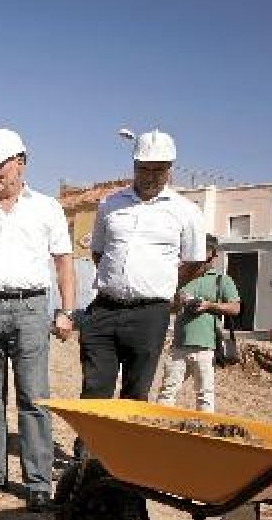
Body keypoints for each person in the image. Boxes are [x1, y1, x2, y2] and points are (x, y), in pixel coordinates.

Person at [0, 128, 75, 513]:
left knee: (33, 397)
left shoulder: (46, 208)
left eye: (0, 165)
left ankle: (38, 481)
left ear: (21, 162)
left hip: (29, 310)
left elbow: (63, 261)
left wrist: (65, 310)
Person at [80, 129, 207, 405]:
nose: (150, 176)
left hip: (149, 315)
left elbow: (196, 261)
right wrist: (118, 282)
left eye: (158, 170)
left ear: (170, 169)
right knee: (94, 392)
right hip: (104, 310)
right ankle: (88, 450)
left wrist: (163, 285)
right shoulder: (109, 204)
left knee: (135, 395)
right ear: (134, 165)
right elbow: (99, 252)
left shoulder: (187, 211)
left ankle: (124, 450)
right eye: (143, 168)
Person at [155, 233, 241, 413]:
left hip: (206, 347)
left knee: (205, 396)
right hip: (179, 346)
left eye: (204, 250)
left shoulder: (221, 280)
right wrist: (179, 301)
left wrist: (208, 305)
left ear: (213, 253)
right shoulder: (183, 277)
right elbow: (169, 308)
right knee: (166, 393)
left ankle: (203, 436)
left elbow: (235, 308)